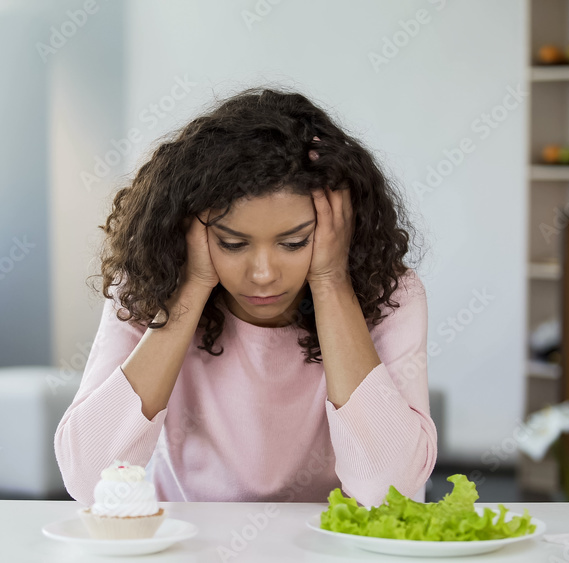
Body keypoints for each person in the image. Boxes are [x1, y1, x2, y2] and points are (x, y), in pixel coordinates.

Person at [54, 87, 436, 507]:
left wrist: (331, 281)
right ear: (190, 231)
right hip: (189, 544)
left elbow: (390, 491)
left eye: (294, 243)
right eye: (233, 244)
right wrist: (191, 289)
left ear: (337, 230)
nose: (264, 275)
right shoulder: (147, 284)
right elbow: (89, 479)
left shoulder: (390, 294)